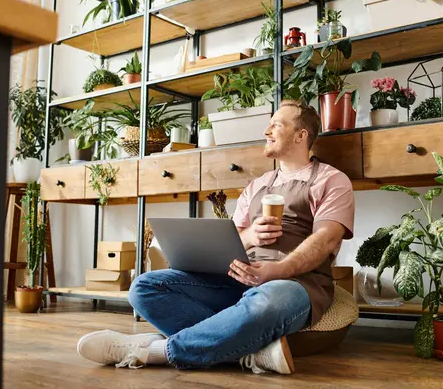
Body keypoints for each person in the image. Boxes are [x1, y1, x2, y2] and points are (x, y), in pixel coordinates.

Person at [76, 99, 355, 374]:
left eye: (275, 125)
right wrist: (249, 237)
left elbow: (326, 240)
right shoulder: (256, 186)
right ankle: (250, 352)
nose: (266, 131)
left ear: (300, 135)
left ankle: (155, 351)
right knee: (144, 287)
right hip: (239, 278)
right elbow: (232, 240)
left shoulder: (331, 180)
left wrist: (277, 270)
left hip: (294, 283)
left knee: (270, 301)